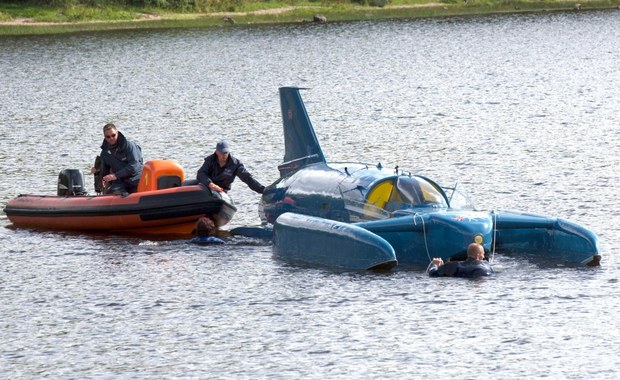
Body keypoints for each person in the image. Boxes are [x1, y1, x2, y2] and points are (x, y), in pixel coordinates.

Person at [197, 140, 265, 194]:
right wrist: (211, 185)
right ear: (217, 152)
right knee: (188, 184)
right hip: (207, 186)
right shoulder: (210, 160)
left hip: (222, 190)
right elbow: (201, 173)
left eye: (226, 152)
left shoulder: (235, 164)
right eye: (222, 152)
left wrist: (262, 190)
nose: (224, 155)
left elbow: (247, 178)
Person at [98, 123, 143, 195]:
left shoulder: (129, 146)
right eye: (108, 137)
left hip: (136, 180)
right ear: (104, 137)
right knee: (111, 193)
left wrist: (115, 175)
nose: (111, 138)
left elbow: (134, 166)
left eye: (113, 135)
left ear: (117, 133)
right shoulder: (104, 153)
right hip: (120, 183)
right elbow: (104, 171)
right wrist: (102, 179)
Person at [427, 243, 494, 278]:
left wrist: (434, 264)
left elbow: (432, 274)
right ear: (478, 255)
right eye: (483, 254)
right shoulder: (486, 265)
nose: (484, 257)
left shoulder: (454, 265)